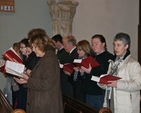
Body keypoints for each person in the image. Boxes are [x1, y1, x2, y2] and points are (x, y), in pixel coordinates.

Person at [14, 29, 64, 113]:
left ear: (41, 45)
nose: (33, 50)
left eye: (34, 47)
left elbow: (45, 84)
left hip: (45, 104)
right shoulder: (44, 58)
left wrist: (28, 79)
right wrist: (25, 82)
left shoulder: (49, 59)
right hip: (40, 101)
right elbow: (38, 77)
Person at [98, 32, 141, 113]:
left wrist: (118, 84)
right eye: (114, 45)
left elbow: (138, 84)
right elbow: (110, 82)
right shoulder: (112, 62)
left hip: (125, 106)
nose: (115, 48)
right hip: (111, 102)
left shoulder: (133, 64)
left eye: (118, 45)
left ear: (126, 46)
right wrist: (103, 83)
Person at [81, 34, 114, 110]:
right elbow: (88, 75)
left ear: (103, 44)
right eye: (92, 44)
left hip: (99, 93)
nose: (94, 46)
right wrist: (83, 72)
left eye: (96, 44)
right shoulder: (92, 57)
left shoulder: (109, 57)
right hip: (88, 92)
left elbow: (106, 74)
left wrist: (91, 71)